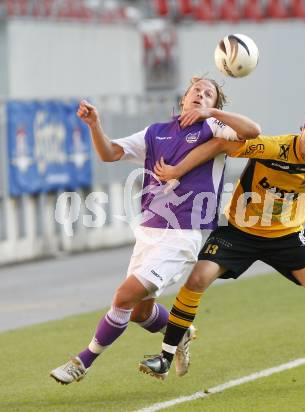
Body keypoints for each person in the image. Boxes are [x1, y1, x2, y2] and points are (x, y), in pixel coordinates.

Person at [141, 106, 305, 385]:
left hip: (286, 236)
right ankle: (165, 357)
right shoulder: (273, 148)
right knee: (197, 279)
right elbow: (223, 144)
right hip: (239, 231)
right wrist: (178, 169)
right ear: (302, 127)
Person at [50, 77, 261, 384]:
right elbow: (109, 153)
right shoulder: (155, 132)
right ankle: (181, 330)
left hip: (182, 234)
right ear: (183, 98)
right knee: (137, 313)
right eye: (196, 91)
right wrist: (94, 124)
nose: (200, 95)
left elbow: (252, 131)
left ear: (213, 105)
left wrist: (212, 114)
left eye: (208, 95)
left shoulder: (214, 128)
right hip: (149, 231)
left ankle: (82, 362)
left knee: (123, 297)